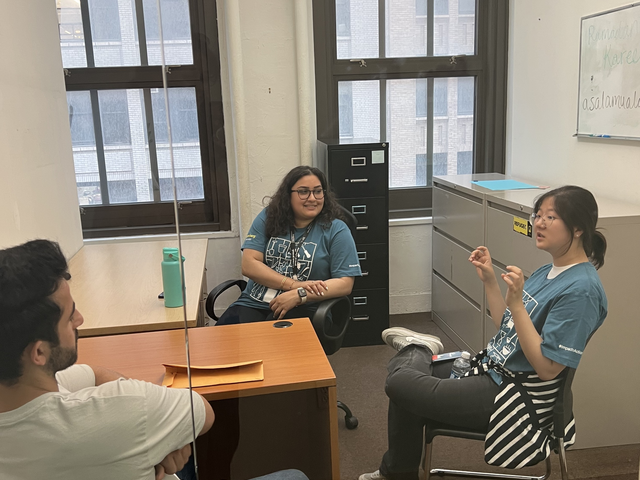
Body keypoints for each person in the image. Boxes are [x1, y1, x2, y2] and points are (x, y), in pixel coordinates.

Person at [0, 239, 309, 480]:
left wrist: (152, 434)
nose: (80, 319)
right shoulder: (128, 406)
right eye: (69, 318)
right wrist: (150, 422)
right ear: (39, 352)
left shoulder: (25, 393)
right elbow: (203, 412)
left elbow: (91, 373)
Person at [359, 185, 608, 480]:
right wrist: (491, 280)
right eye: (537, 215)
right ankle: (397, 472)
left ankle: (419, 349)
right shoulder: (548, 271)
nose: (538, 223)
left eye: (550, 217)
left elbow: (547, 368)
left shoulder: (582, 291)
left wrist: (517, 305)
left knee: (401, 383)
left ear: (578, 228)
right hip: (491, 369)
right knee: (407, 389)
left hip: (514, 395)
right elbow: (510, 327)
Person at [217, 165, 361, 325]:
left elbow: (344, 283)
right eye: (303, 191)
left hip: (304, 308)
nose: (312, 198)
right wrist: (293, 285)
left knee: (273, 345)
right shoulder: (268, 217)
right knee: (222, 344)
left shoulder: (336, 229)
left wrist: (300, 294)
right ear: (288, 195)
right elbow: (249, 264)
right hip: (253, 302)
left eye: (318, 191)